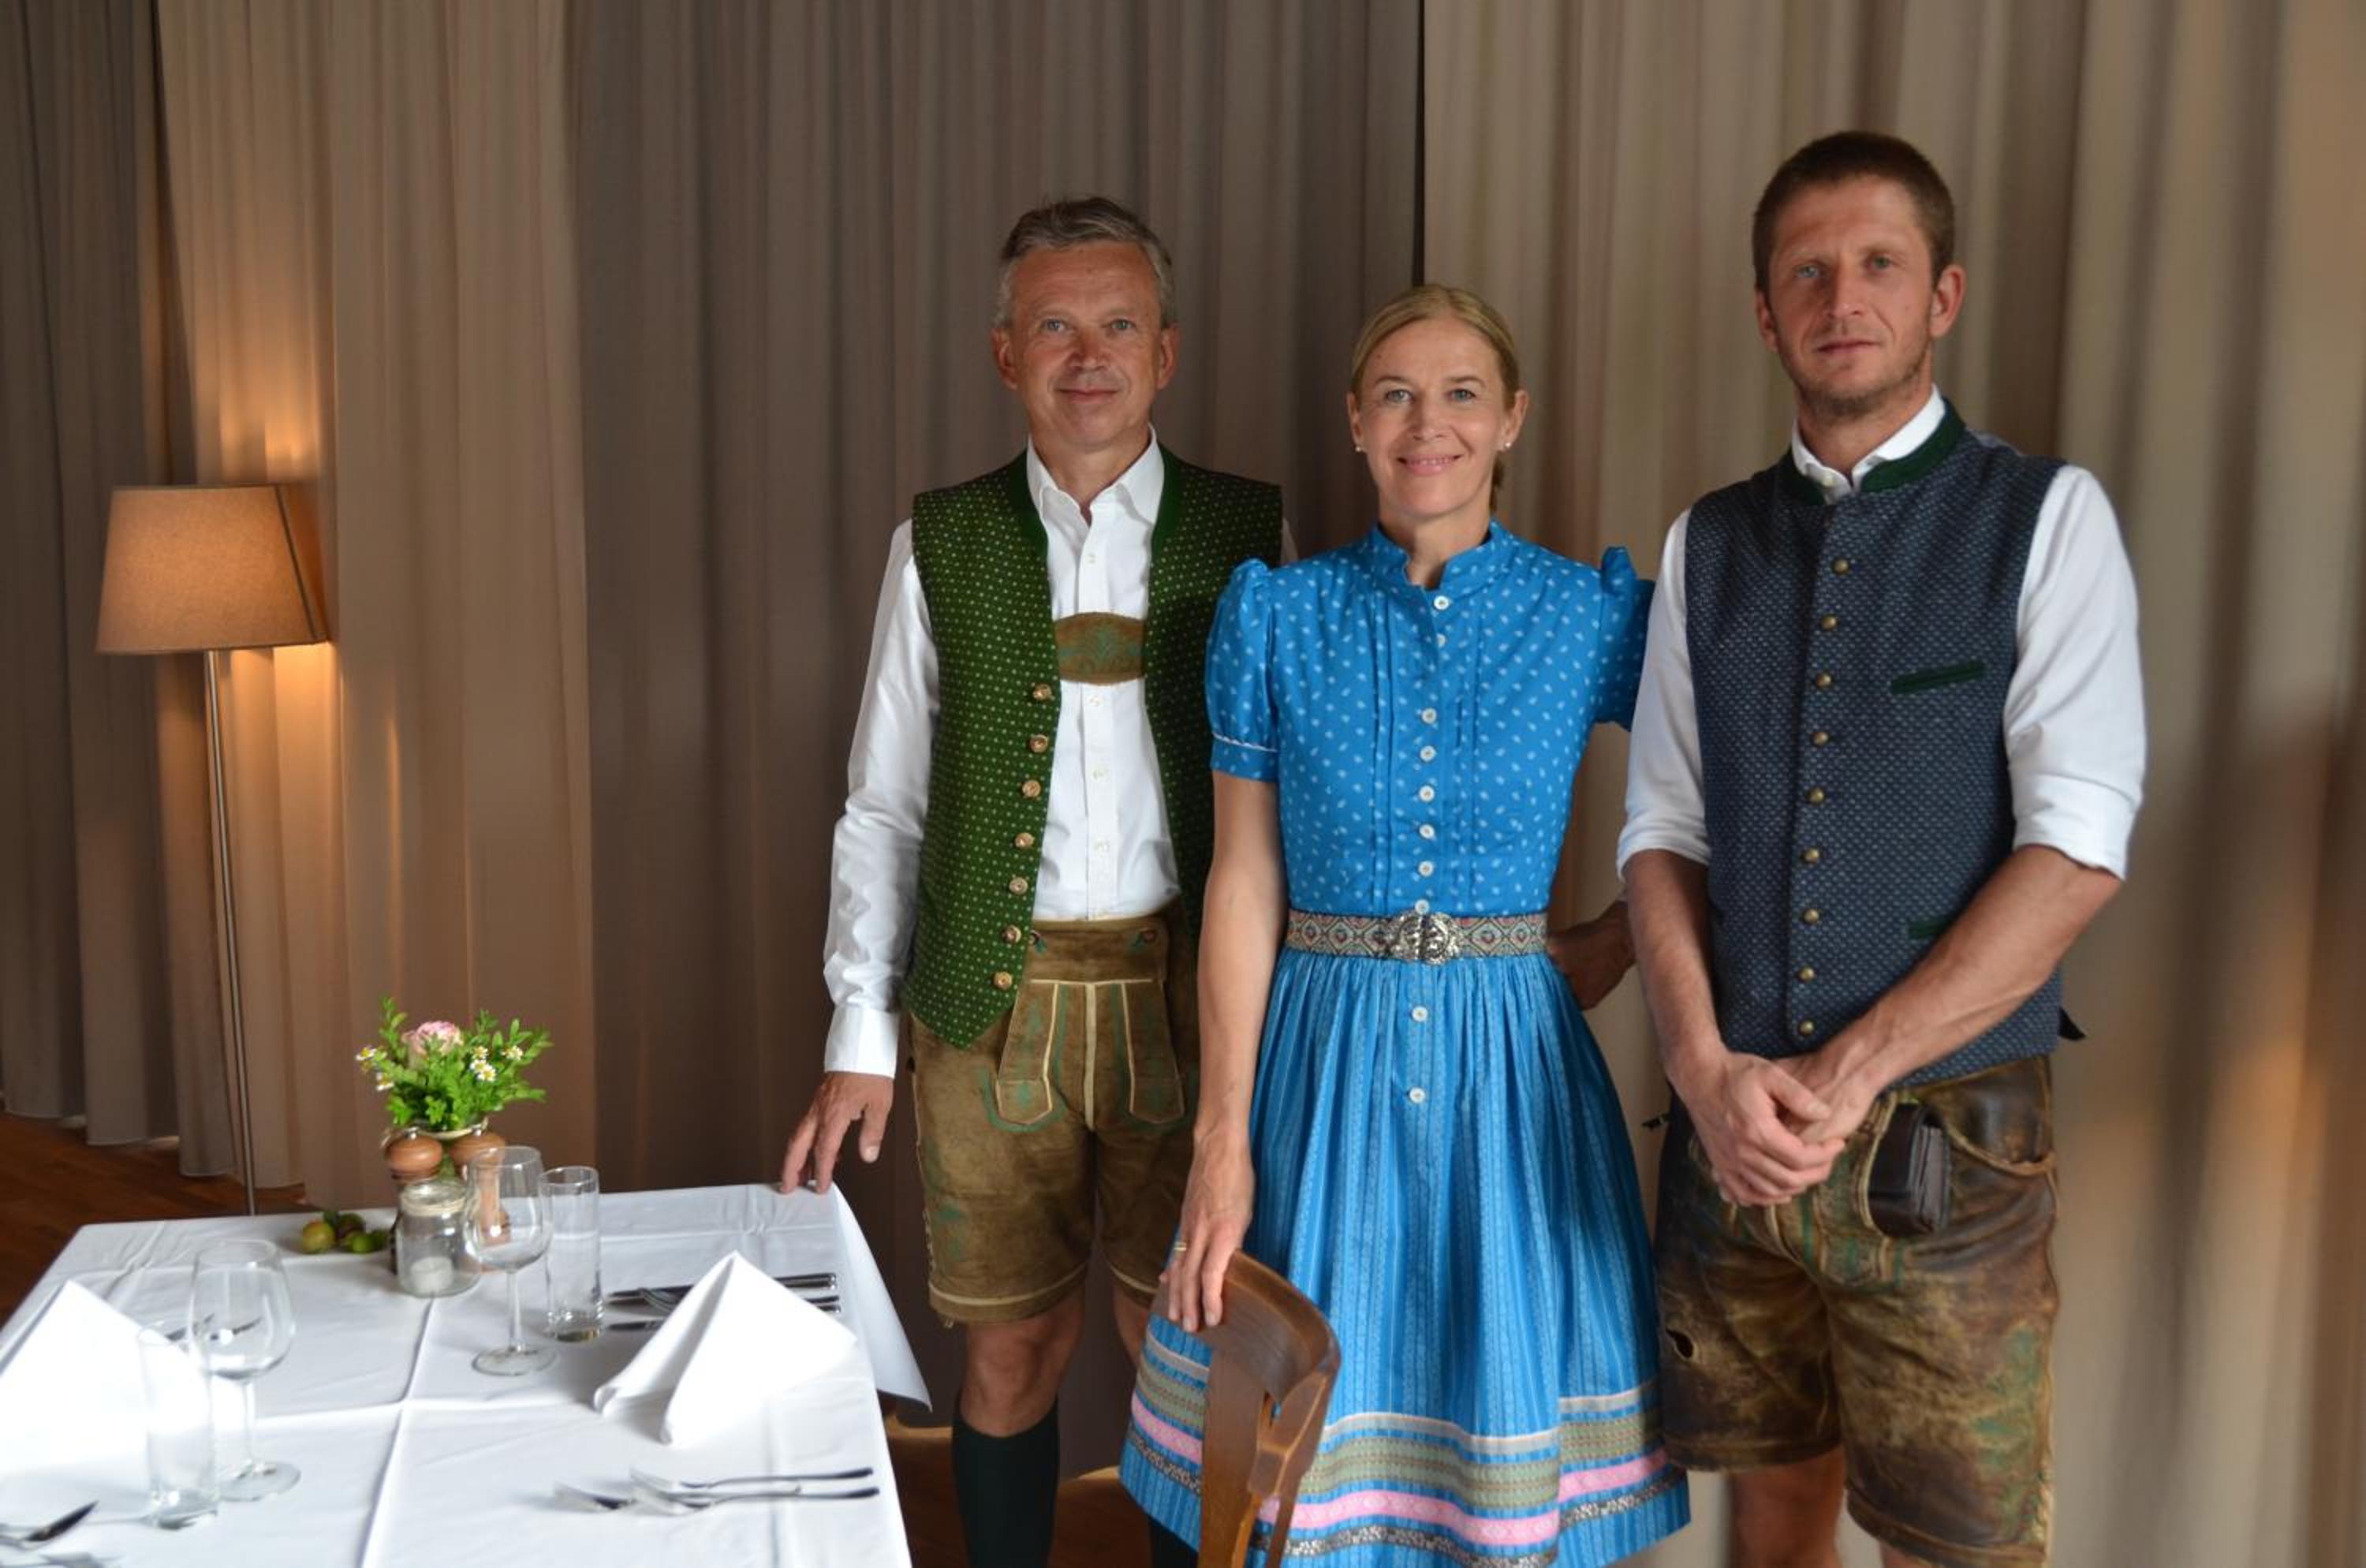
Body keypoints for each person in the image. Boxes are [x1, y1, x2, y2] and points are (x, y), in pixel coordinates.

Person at [1619, 131, 2145, 1568]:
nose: (1841, 296)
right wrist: (1699, 1070)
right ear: (1765, 311)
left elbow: (2078, 849)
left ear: (1942, 296)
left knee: (1959, 1546)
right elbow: (1661, 833)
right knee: (1769, 1511)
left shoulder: (2046, 520)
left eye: (1878, 265)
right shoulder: (1709, 543)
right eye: (1807, 271)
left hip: (1948, 1152)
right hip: (1731, 1136)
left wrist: (1851, 1073)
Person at [1124, 284, 1691, 1566]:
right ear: (1355, 421)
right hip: (1317, 1071)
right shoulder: (1276, 617)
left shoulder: (1592, 615)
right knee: (1298, 1492)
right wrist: (1222, 1140)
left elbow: (1719, 805)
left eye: (1461, 394)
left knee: (1494, 1477)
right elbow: (1243, 882)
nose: (1427, 424)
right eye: (1396, 394)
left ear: (1512, 420)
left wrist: (1614, 939)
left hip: (1515, 1085)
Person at [779, 196, 1285, 1568]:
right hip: (985, 1004)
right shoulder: (940, 543)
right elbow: (884, 805)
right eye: (1055, 326)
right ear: (1007, 356)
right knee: (1013, 1348)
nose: (1089, 355)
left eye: (1119, 324)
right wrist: (859, 1037)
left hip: (1193, 1001)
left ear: (1166, 352)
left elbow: (1295, 803)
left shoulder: (1252, 532)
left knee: (1182, 1343)